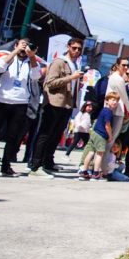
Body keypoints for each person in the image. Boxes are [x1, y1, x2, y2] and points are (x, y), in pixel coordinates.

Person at [0, 39, 36, 176]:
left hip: (20, 102)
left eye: (26, 46)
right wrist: (15, 51)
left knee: (13, 136)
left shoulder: (31, 62)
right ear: (16, 45)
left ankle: (6, 165)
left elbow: (37, 76)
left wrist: (32, 56)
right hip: (0, 100)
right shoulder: (7, 57)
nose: (24, 49)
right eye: (22, 46)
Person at [30, 37, 85, 176]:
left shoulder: (74, 64)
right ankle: (35, 165)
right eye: (74, 48)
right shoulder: (59, 62)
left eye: (79, 49)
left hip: (67, 104)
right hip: (54, 102)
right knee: (45, 133)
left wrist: (77, 84)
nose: (77, 51)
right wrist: (71, 78)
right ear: (68, 47)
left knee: (56, 135)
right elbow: (50, 83)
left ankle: (48, 161)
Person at [80, 92, 120, 180]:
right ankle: (96, 173)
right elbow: (107, 125)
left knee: (90, 152)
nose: (115, 102)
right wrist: (110, 136)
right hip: (101, 135)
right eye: (113, 100)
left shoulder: (103, 110)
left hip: (94, 133)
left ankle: (84, 171)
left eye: (117, 101)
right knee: (99, 154)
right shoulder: (108, 112)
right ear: (107, 101)